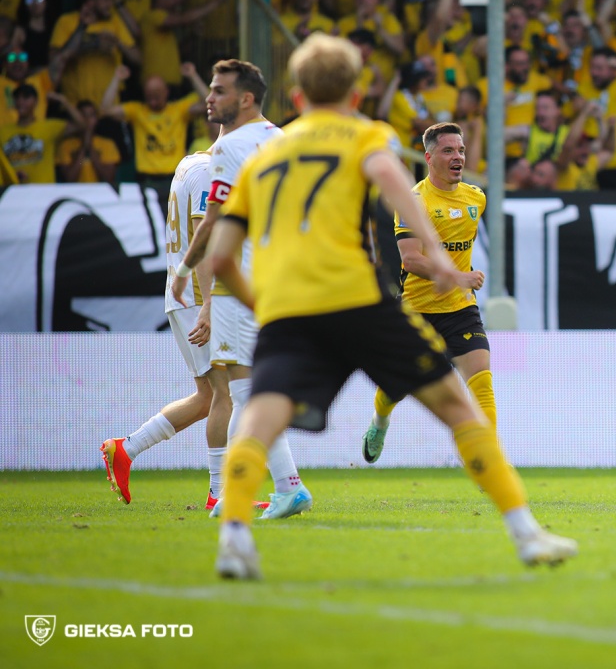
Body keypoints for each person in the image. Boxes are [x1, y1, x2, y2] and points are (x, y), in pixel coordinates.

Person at [206, 33, 575, 579]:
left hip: (288, 308)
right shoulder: (364, 134)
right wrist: (441, 261)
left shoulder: (264, 157)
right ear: (355, 95)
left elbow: (219, 258)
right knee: (458, 408)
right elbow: (394, 184)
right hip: (358, 299)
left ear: (298, 97)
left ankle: (234, 538)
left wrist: (264, 305)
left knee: (259, 420)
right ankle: (525, 533)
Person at [172, 59, 311, 520]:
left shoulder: (229, 147)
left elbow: (212, 222)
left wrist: (185, 272)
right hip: (278, 277)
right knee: (249, 387)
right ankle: (262, 489)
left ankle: (282, 487)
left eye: (219, 91)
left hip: (240, 282)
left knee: (244, 388)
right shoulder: (282, 139)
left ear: (246, 98)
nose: (209, 98)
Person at [100, 141, 245, 511]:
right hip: (199, 296)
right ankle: (220, 494)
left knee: (208, 397)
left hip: (186, 296)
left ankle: (126, 449)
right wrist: (210, 303)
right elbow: (204, 239)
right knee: (226, 393)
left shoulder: (188, 164)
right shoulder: (209, 173)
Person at [361, 121, 498, 462]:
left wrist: (458, 283)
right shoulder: (414, 201)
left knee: (482, 383)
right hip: (417, 310)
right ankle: (379, 422)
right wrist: (458, 276)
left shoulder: (476, 198)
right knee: (394, 388)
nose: (458, 157)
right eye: (448, 150)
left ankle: (489, 459)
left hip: (460, 310)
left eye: (461, 150)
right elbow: (411, 260)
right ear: (429, 157)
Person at [99, 63, 211, 203]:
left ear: (166, 92)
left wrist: (193, 76)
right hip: (146, 179)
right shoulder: (137, 111)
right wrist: (117, 78)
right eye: (149, 96)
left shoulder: (179, 110)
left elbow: (210, 104)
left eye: (156, 96)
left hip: (175, 178)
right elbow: (105, 109)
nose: (152, 101)